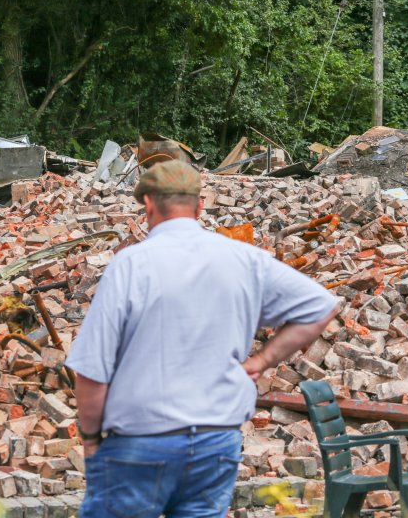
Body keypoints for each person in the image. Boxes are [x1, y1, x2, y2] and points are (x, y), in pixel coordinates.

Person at [66, 160, 337, 518]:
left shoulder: (131, 265)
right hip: (215, 441)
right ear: (199, 205)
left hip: (141, 441)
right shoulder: (244, 260)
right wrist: (260, 361)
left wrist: (90, 439)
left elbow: (92, 371)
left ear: (147, 204)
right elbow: (320, 305)